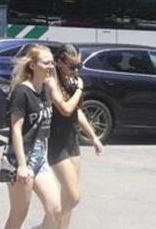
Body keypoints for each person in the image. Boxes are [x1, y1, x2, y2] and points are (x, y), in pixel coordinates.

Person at [2, 44, 63, 229]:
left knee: (55, 209)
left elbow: (65, 108)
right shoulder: (22, 92)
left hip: (40, 157)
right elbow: (16, 130)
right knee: (18, 215)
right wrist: (21, 165)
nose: (51, 66)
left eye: (52, 62)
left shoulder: (46, 89)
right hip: (21, 158)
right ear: (33, 65)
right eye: (46, 63)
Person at [48, 45, 105, 229]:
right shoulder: (51, 81)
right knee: (73, 196)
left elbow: (77, 112)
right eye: (72, 66)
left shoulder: (72, 80)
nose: (76, 70)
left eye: (79, 65)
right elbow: (65, 109)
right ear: (58, 62)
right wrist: (80, 90)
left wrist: (94, 138)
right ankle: (46, 225)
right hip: (55, 142)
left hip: (72, 140)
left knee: (67, 196)